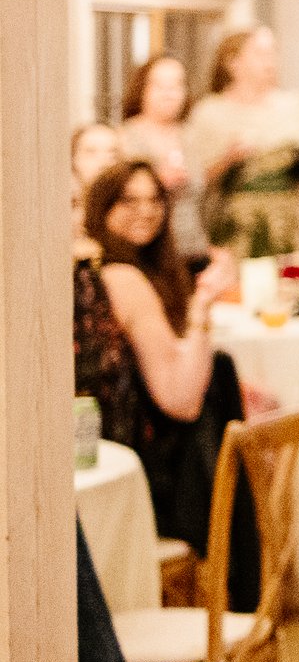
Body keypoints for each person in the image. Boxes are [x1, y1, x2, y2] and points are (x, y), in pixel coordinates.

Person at [77, 160, 257, 605]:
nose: (145, 210)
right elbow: (181, 401)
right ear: (98, 209)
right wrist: (200, 313)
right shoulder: (122, 277)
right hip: (150, 478)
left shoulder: (104, 272)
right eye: (128, 200)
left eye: (154, 199)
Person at [189, 24, 299, 256]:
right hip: (234, 229)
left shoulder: (292, 106)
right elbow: (197, 181)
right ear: (233, 62)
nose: (270, 61)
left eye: (274, 52)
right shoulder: (210, 112)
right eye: (260, 53)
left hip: (287, 224)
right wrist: (229, 159)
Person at [118, 54, 206, 256]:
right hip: (147, 250)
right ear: (143, 89)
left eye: (176, 85)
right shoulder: (125, 137)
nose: (169, 93)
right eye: (160, 85)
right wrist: (157, 181)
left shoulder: (191, 135)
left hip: (193, 247)